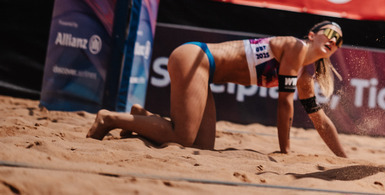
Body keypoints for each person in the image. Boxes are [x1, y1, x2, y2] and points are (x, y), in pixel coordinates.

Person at [88, 21, 347, 156]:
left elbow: (319, 119)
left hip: (205, 71)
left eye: (338, 41)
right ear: (312, 35)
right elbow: (284, 104)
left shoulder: (304, 76)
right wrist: (284, 152)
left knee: (201, 147)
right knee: (182, 137)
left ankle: (141, 118)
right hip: (197, 58)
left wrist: (343, 159)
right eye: (329, 34)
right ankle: (109, 118)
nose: (333, 41)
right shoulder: (295, 47)